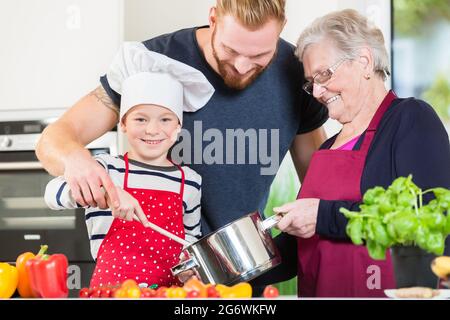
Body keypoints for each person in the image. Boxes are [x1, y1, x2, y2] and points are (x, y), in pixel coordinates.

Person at [36, 0, 328, 288]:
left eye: (260, 55)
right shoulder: (153, 61)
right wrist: (78, 162)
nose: (241, 66)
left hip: (244, 275)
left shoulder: (296, 72)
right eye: (230, 50)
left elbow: (319, 182)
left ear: (282, 28)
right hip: (156, 285)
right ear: (213, 18)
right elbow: (54, 140)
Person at [274, 9, 450, 297]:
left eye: (324, 74)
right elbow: (301, 246)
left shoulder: (411, 119)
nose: (317, 91)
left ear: (364, 62)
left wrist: (321, 215)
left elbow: (426, 216)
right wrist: (229, 264)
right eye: (310, 82)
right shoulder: (327, 148)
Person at [44, 43, 214, 288]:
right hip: (111, 292)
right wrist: (105, 193)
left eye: (165, 120)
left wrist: (190, 271)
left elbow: (189, 241)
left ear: (178, 127)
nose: (152, 129)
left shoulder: (190, 182)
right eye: (140, 119)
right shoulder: (106, 169)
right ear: (123, 124)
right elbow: (52, 195)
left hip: (168, 295)